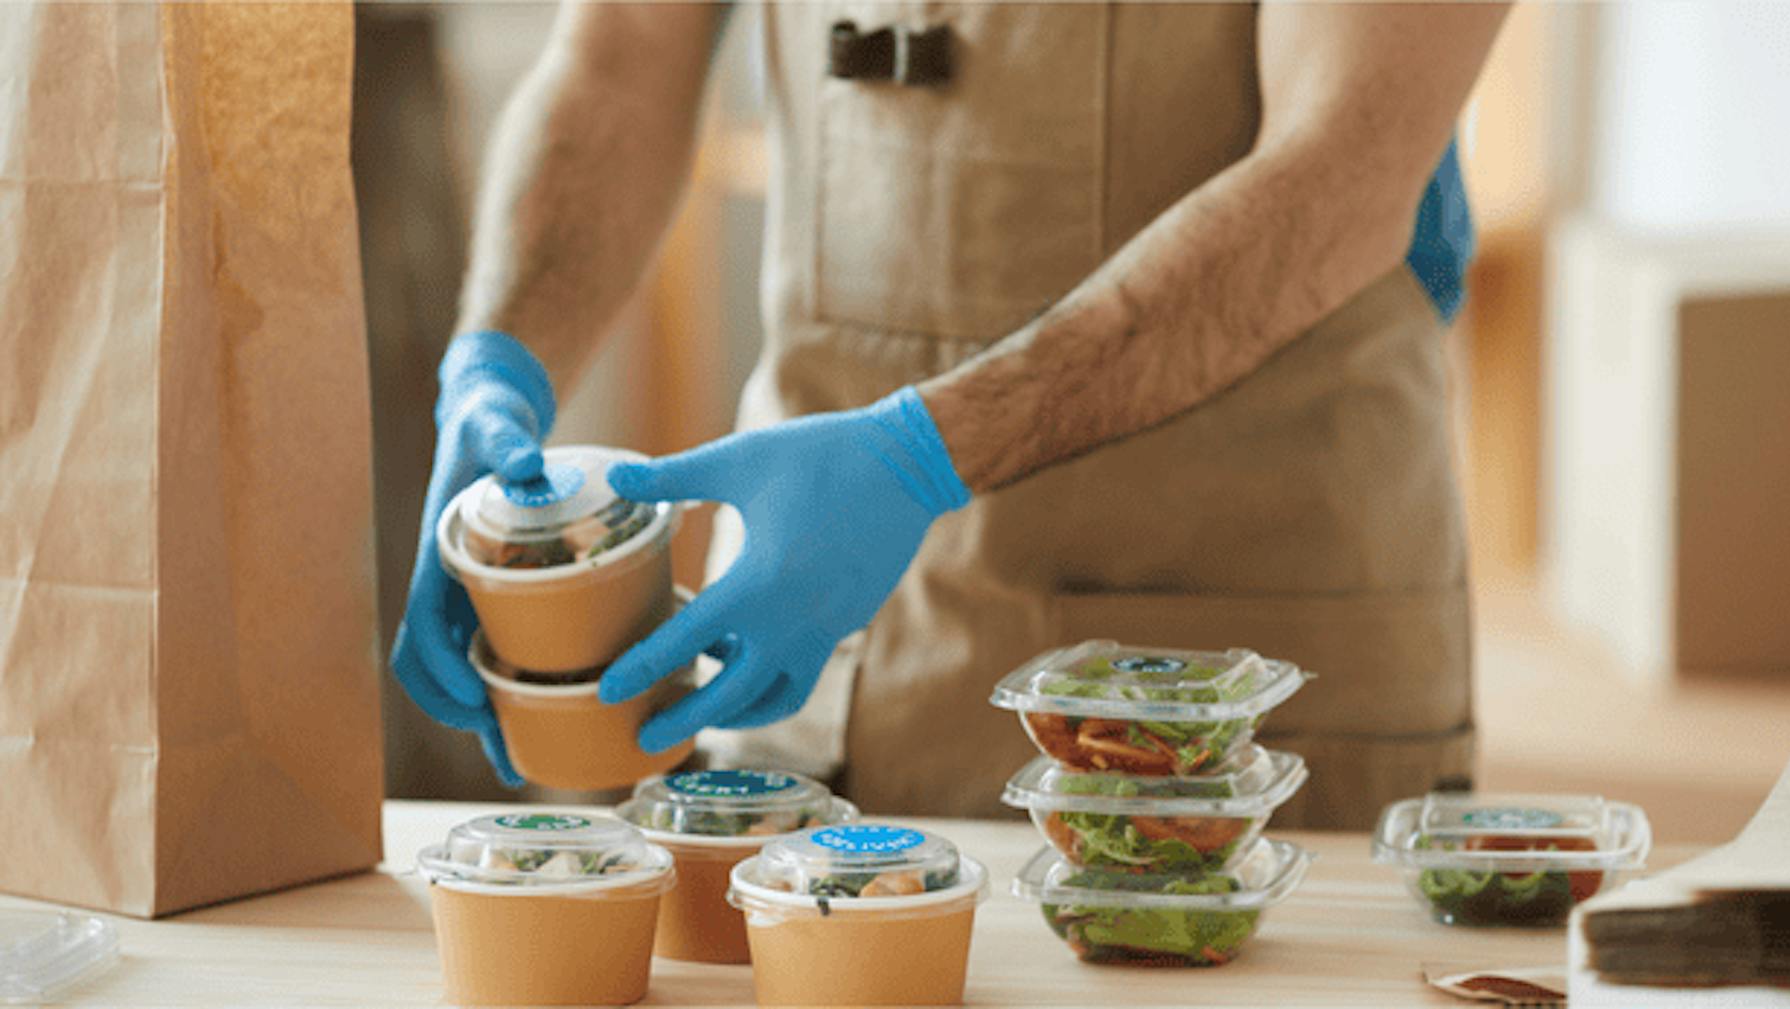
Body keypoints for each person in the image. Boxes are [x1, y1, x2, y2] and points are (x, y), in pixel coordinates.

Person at [392, 1, 1510, 827]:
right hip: (820, 668)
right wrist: (498, 363)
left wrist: (917, 456)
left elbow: (1341, 173)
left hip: (1223, 678)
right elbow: (619, 55)